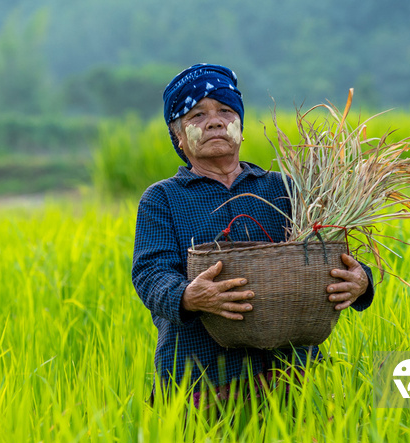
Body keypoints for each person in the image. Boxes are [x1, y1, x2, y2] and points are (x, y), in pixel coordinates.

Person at [132, 64, 374, 407]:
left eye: (225, 111)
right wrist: (188, 296)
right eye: (197, 115)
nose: (214, 121)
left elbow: (327, 251)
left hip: (293, 372)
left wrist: (361, 280)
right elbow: (149, 272)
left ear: (240, 129)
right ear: (179, 138)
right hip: (202, 378)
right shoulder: (163, 198)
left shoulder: (286, 188)